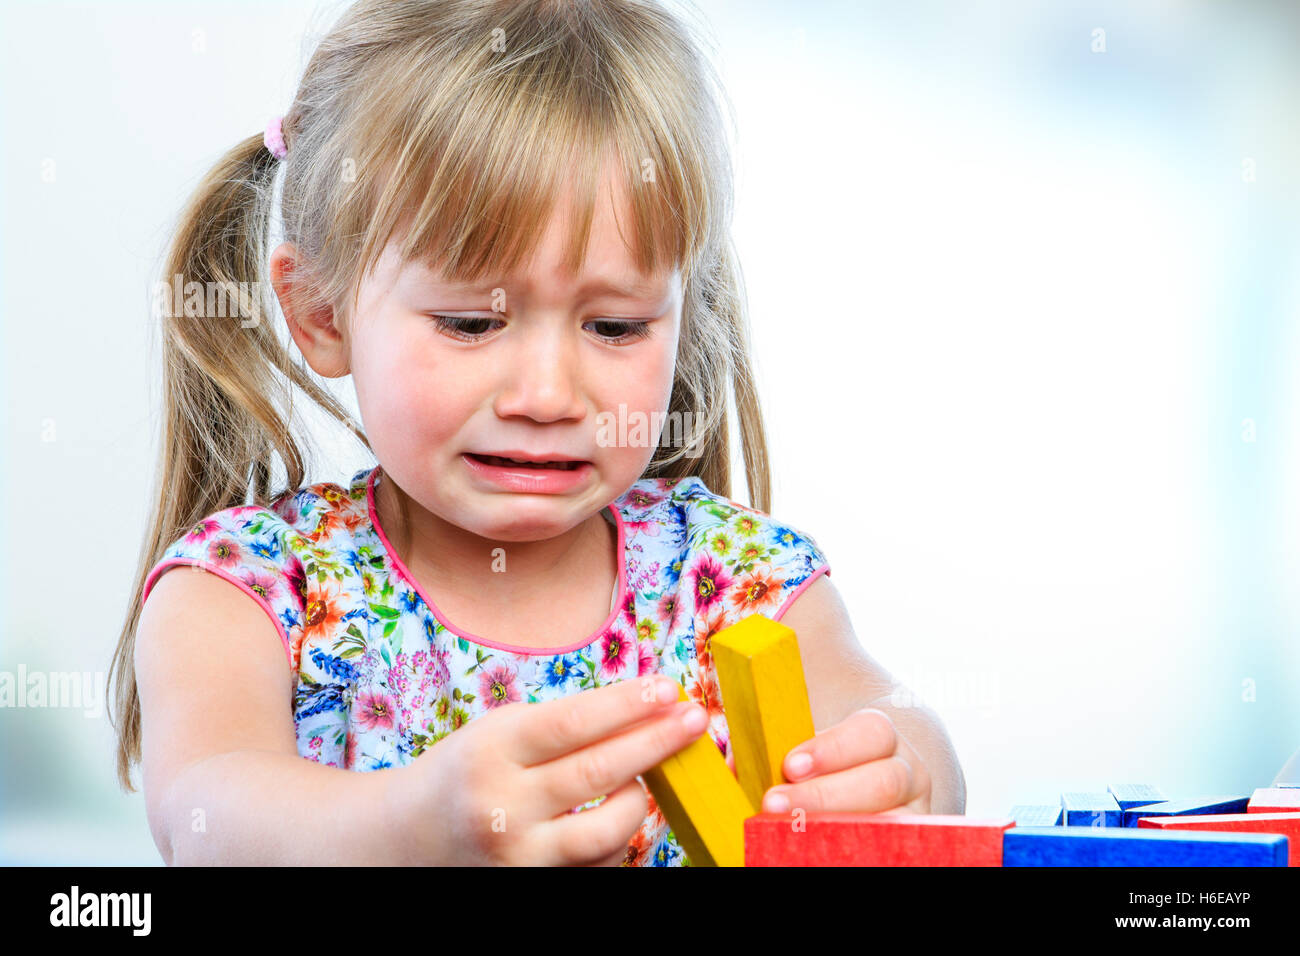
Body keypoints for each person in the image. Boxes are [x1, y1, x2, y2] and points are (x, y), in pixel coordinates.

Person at [109, 0, 964, 866]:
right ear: (322, 312)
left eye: (617, 328)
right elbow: (205, 818)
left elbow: (889, 710)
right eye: (471, 324)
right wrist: (415, 825)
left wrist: (905, 766)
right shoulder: (249, 593)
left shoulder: (733, 580)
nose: (549, 395)